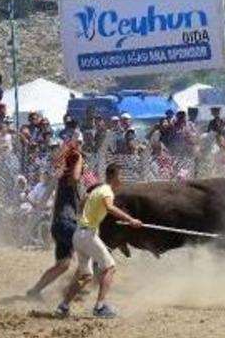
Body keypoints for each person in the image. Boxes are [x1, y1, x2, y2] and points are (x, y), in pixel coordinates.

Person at [56, 163, 142, 318]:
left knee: (86, 275)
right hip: (88, 235)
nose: (122, 180)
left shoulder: (96, 190)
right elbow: (109, 207)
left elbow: (83, 203)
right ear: (114, 176)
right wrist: (131, 220)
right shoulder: (107, 191)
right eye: (120, 176)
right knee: (109, 267)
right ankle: (100, 307)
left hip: (79, 235)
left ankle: (63, 306)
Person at [27, 131, 84, 299]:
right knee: (91, 253)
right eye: (78, 145)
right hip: (67, 223)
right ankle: (73, 291)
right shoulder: (71, 166)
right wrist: (79, 160)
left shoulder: (61, 170)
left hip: (59, 224)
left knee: (63, 265)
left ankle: (35, 291)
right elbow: (74, 178)